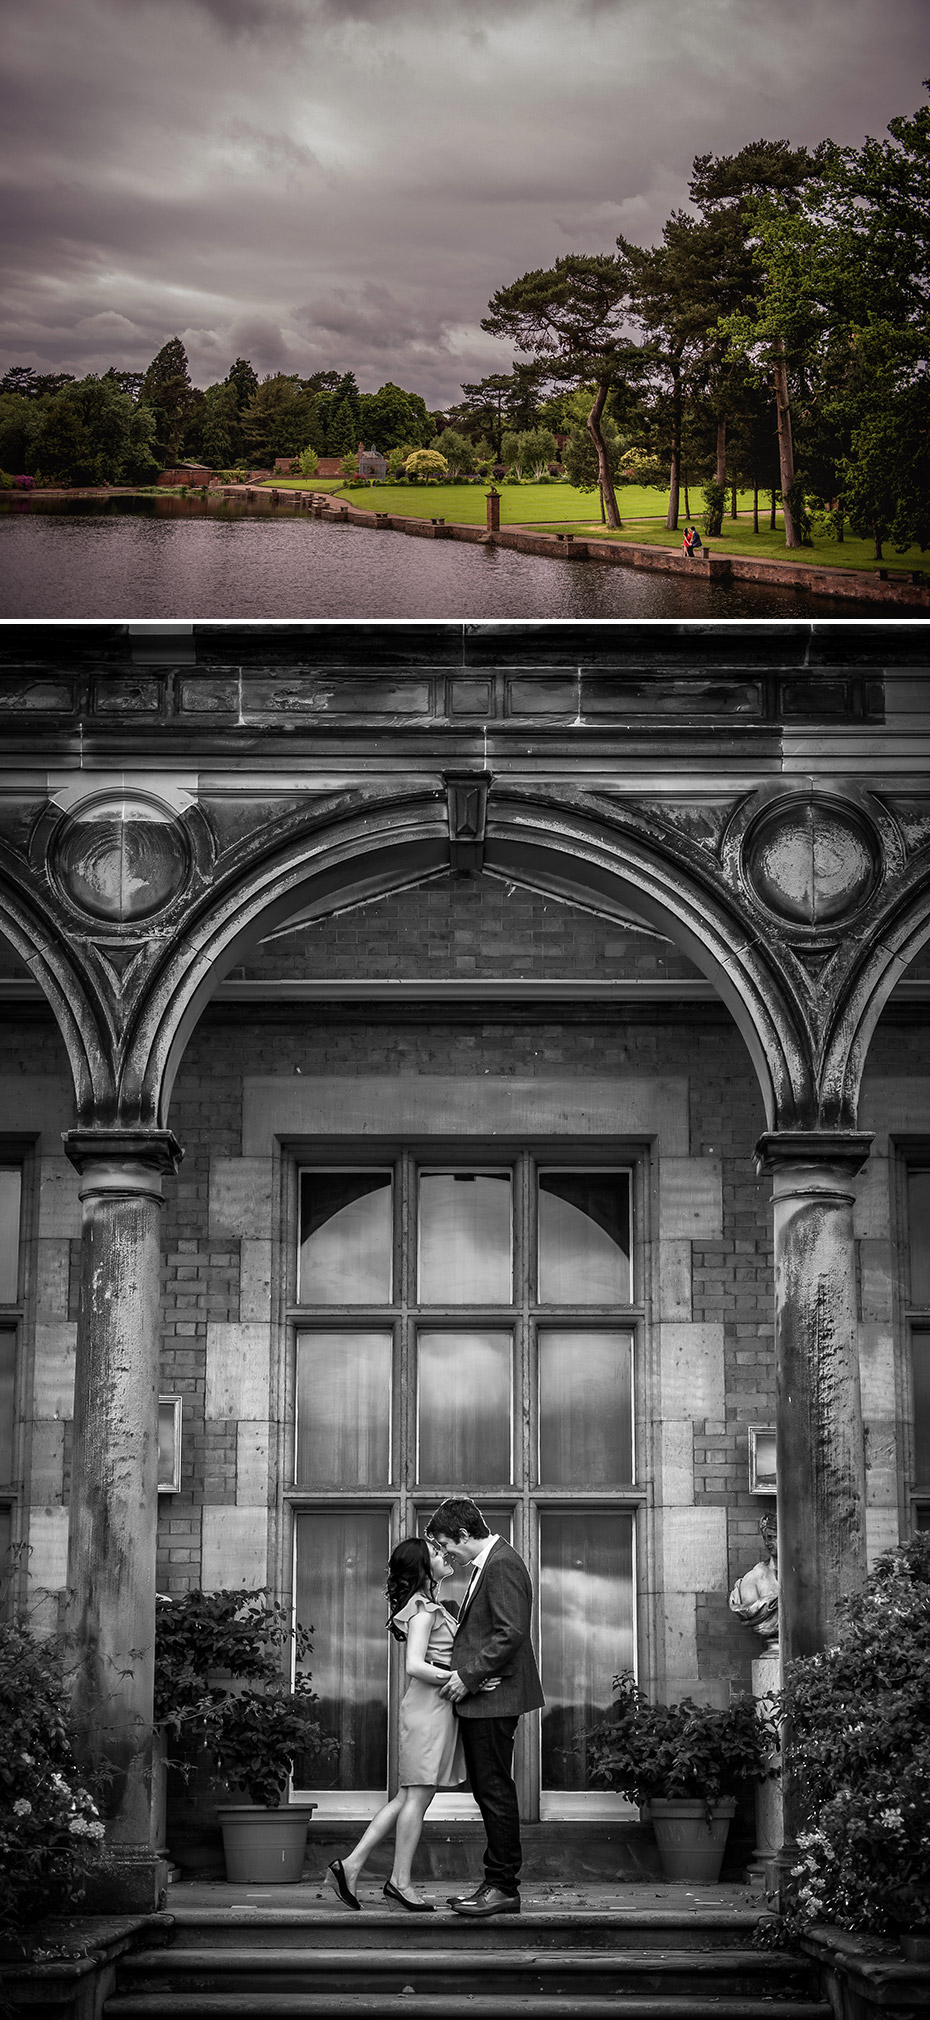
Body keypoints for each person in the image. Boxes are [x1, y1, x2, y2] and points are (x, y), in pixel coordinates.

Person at [326, 1536, 497, 1913]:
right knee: (416, 1799)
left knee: (408, 1797)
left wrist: (467, 1675)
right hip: (427, 1711)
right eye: (437, 1553)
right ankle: (399, 1883)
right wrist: (463, 1677)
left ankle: (351, 1866)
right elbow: (414, 1666)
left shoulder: (428, 1606)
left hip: (432, 1711)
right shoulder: (421, 1611)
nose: (445, 1555)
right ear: (423, 1567)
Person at [426, 1495, 545, 1920]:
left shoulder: (501, 1563)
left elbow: (510, 1632)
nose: (446, 1555)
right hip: (488, 1698)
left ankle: (502, 1887)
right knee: (488, 1790)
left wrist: (469, 1675)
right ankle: (495, 1883)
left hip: (493, 1700)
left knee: (494, 1791)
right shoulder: (489, 1564)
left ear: (463, 1534)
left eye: (446, 1545)